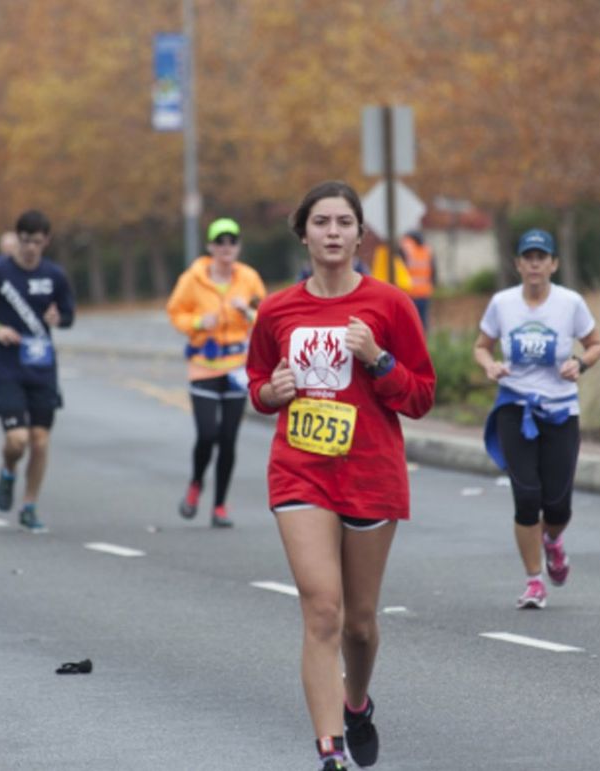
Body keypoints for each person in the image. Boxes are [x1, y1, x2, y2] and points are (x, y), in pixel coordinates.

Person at [246, 181, 435, 771]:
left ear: (359, 233)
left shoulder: (390, 305)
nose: (332, 232)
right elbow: (257, 382)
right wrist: (270, 394)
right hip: (301, 472)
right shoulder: (277, 309)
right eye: (321, 222)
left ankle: (356, 703)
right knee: (321, 608)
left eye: (343, 222)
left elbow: (423, 397)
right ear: (303, 233)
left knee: (358, 623)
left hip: (371, 473)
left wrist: (378, 360)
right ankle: (330, 752)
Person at [473, 228, 600, 609]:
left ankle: (553, 541)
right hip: (515, 407)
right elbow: (481, 346)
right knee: (526, 496)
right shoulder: (502, 303)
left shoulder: (570, 303)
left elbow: (597, 343)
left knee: (558, 503)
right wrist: (491, 366)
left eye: (541, 257)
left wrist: (580, 363)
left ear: (553, 264)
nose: (534, 264)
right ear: (517, 264)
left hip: (561, 411)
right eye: (527, 257)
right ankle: (534, 581)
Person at [0, 210, 75, 533]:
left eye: (37, 242)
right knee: (18, 440)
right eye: (25, 241)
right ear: (17, 238)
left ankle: (29, 504)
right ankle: (8, 470)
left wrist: (59, 317)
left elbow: (69, 315)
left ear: (46, 241)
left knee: (40, 441)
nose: (30, 248)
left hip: (42, 368)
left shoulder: (54, 275)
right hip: (7, 367)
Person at [167, 217, 267, 528]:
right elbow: (175, 312)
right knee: (208, 433)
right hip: (203, 367)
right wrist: (198, 323)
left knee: (228, 439)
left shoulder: (248, 278)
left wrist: (247, 311)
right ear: (210, 246)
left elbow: (266, 314)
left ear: (238, 246)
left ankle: (220, 505)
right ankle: (196, 483)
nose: (226, 247)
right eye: (220, 242)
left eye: (232, 241)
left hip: (237, 367)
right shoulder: (192, 279)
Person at [400, 231, 435, 331]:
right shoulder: (427, 250)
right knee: (422, 324)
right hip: (424, 293)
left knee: (409, 325)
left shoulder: (405, 247)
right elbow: (433, 271)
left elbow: (398, 268)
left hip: (409, 293)